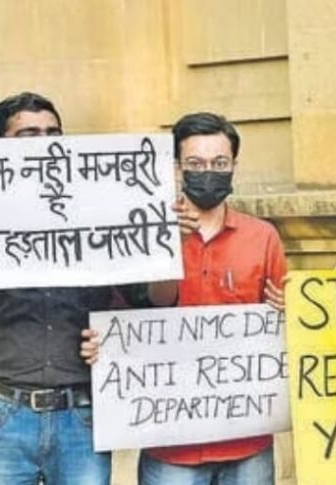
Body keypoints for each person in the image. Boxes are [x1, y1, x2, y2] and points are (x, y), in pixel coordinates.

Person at [0, 92, 178, 485]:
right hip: (0, 414)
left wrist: (165, 241)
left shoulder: (101, 211)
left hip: (81, 414)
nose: (44, 141)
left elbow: (153, 298)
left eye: (53, 133)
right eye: (28, 134)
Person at [83, 112, 288, 484]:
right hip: (169, 446)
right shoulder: (142, 238)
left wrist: (289, 314)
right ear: (177, 169)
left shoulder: (264, 238)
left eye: (219, 163)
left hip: (247, 442)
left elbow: (285, 326)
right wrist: (103, 346)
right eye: (196, 163)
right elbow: (119, 318)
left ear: (234, 166)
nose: (208, 171)